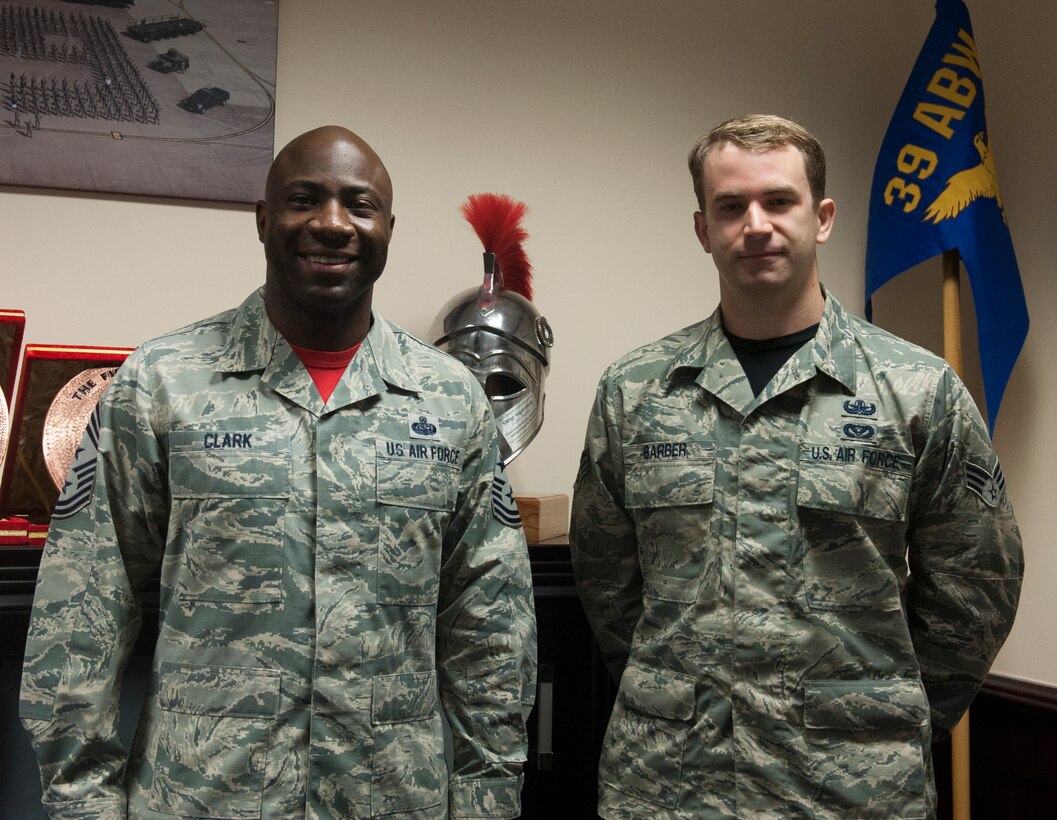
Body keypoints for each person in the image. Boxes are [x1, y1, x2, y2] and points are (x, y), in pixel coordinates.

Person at [20, 126, 537, 819]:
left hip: (391, 799)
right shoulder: (161, 383)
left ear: (388, 227)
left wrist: (487, 799)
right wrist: (81, 801)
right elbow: (82, 609)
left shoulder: (450, 400)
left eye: (358, 204)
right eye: (303, 199)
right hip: (202, 798)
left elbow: (490, 626)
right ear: (263, 219)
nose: (331, 224)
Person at [570, 114, 1022, 819]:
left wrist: (886, 714)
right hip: (670, 784)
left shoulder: (915, 389)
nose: (755, 224)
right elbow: (605, 579)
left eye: (778, 201)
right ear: (702, 230)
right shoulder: (634, 391)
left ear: (822, 218)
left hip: (853, 787)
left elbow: (975, 586)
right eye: (730, 206)